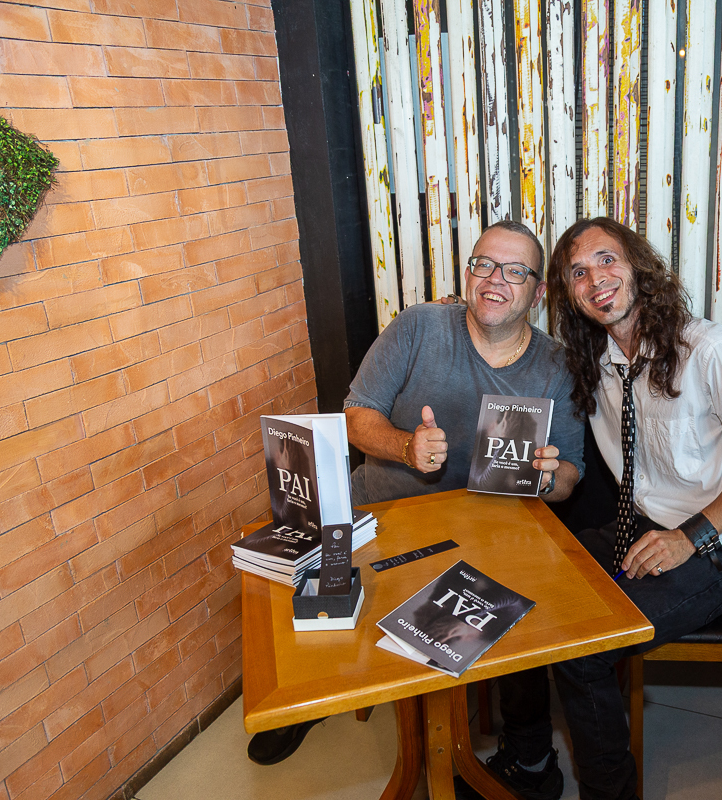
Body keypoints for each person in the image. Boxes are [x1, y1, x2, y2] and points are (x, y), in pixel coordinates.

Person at [246, 219, 587, 767]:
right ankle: (307, 704)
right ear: (469, 270)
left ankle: (528, 757)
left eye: (516, 271)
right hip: (384, 519)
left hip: (489, 534)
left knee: (523, 613)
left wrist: (549, 478)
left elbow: (572, 470)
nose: (495, 280)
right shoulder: (419, 326)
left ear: (539, 292)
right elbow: (355, 416)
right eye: (484, 264)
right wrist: (406, 447)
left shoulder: (556, 365)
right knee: (324, 592)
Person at [485, 217, 722, 800]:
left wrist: (689, 538)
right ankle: (528, 763)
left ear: (638, 267)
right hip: (642, 529)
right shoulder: (596, 364)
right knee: (518, 591)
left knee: (584, 649)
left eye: (607, 260)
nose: (595, 278)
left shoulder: (712, 352)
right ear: (569, 295)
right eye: (578, 272)